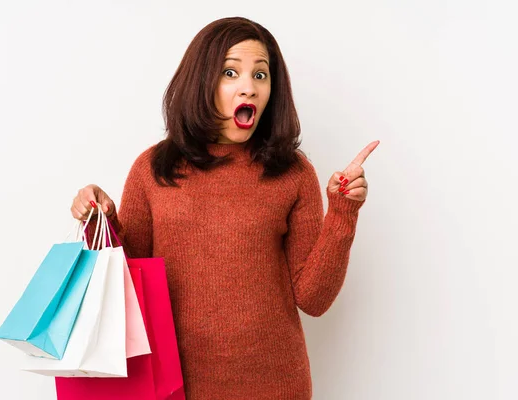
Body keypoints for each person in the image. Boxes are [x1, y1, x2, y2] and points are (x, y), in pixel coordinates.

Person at [70, 16, 378, 400]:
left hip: (276, 386)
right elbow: (126, 287)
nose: (248, 87)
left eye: (261, 75)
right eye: (230, 72)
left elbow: (314, 300)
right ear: (202, 81)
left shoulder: (293, 172)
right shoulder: (154, 169)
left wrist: (343, 212)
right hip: (173, 384)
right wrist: (101, 218)